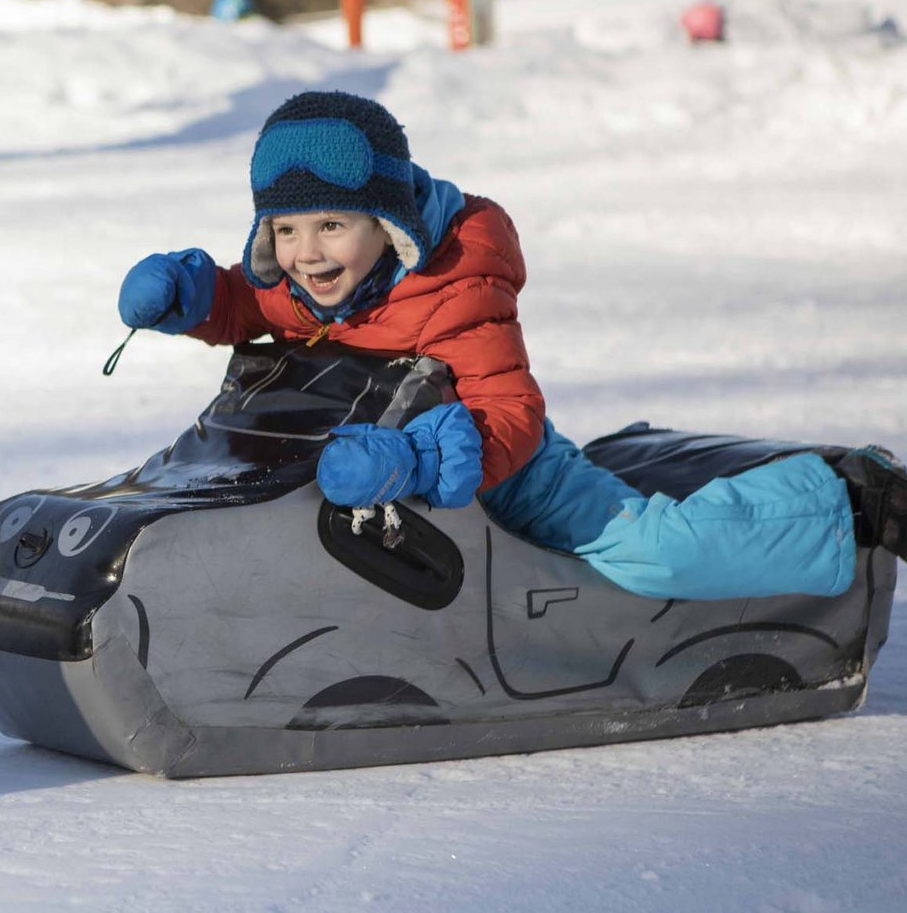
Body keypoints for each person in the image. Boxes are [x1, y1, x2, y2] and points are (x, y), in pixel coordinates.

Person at [116, 89, 907, 600]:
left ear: (387, 225)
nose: (308, 254)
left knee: (656, 553)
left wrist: (421, 460)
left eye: (332, 225)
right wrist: (190, 297)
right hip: (380, 475)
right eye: (285, 230)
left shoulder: (452, 286)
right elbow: (247, 303)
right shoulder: (300, 286)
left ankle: (845, 498)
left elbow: (511, 411)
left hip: (510, 470)